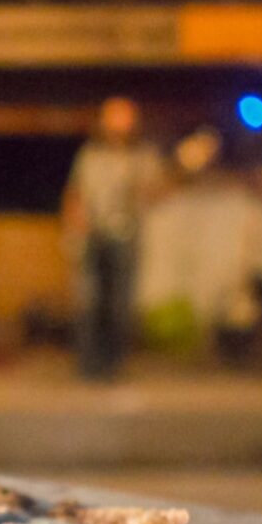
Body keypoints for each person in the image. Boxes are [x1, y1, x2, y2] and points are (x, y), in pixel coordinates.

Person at [63, 97, 165, 378]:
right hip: (93, 237)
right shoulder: (91, 155)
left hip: (125, 235)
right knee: (89, 300)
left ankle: (113, 364)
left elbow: (156, 193)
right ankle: (88, 365)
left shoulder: (142, 156)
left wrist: (146, 191)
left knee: (120, 302)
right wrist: (76, 226)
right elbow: (75, 193)